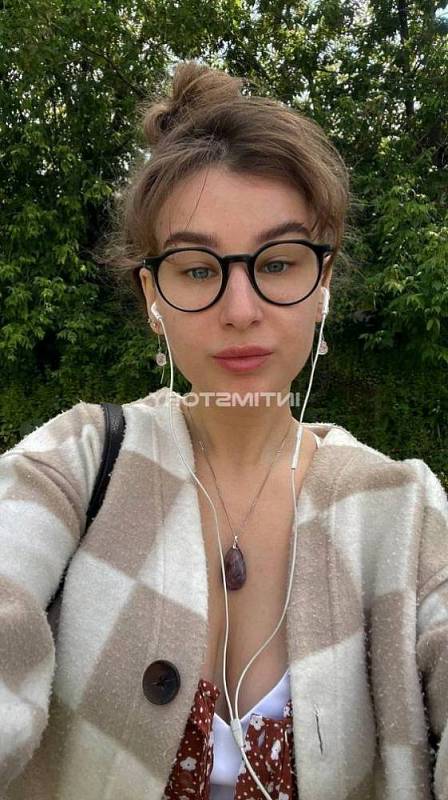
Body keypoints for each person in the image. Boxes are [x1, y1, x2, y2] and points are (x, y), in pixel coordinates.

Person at [0, 60, 447, 800]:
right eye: (199, 270)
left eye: (278, 262)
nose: (241, 310)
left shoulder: (405, 511)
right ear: (154, 295)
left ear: (323, 283)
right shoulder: (74, 466)